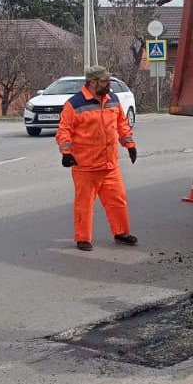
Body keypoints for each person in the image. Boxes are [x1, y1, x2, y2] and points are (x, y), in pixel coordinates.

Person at [56, 65, 138, 250]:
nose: (109, 84)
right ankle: (83, 238)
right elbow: (64, 131)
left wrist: (130, 145)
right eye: (104, 81)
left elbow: (122, 124)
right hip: (85, 167)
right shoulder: (74, 104)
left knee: (118, 200)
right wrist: (66, 153)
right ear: (93, 83)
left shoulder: (113, 99)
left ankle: (121, 232)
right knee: (84, 205)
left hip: (110, 165)